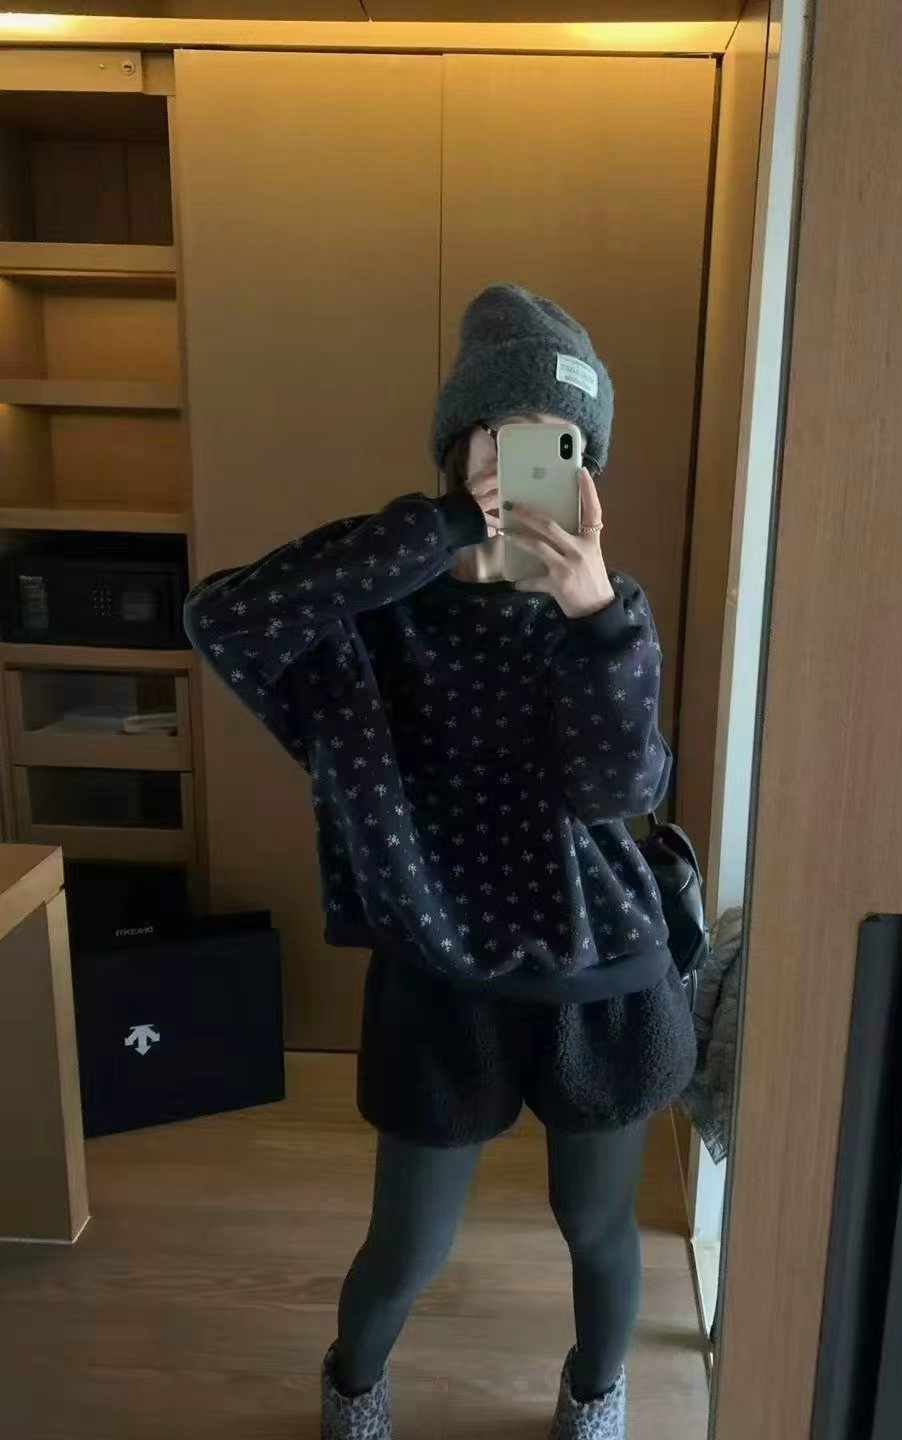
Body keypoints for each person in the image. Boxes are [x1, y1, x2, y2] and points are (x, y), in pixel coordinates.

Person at [183, 283, 696, 1440]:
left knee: (597, 1230)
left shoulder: (605, 615)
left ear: (587, 472)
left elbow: (621, 789)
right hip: (439, 973)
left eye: (559, 448)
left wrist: (595, 615)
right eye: (502, 438)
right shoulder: (373, 623)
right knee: (407, 1245)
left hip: (599, 971)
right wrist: (439, 530)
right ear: (456, 447)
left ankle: (596, 1398)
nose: (526, 470)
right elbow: (224, 620)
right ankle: (353, 1391)